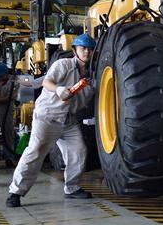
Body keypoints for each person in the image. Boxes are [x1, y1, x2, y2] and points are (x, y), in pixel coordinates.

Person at [6, 34, 96, 207]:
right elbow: (47, 82)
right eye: (83, 48)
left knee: (78, 151)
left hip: (68, 121)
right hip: (48, 117)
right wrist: (58, 90)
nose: (87, 51)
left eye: (90, 48)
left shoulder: (91, 74)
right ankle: (15, 192)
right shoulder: (64, 65)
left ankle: (72, 188)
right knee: (35, 152)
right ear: (75, 50)